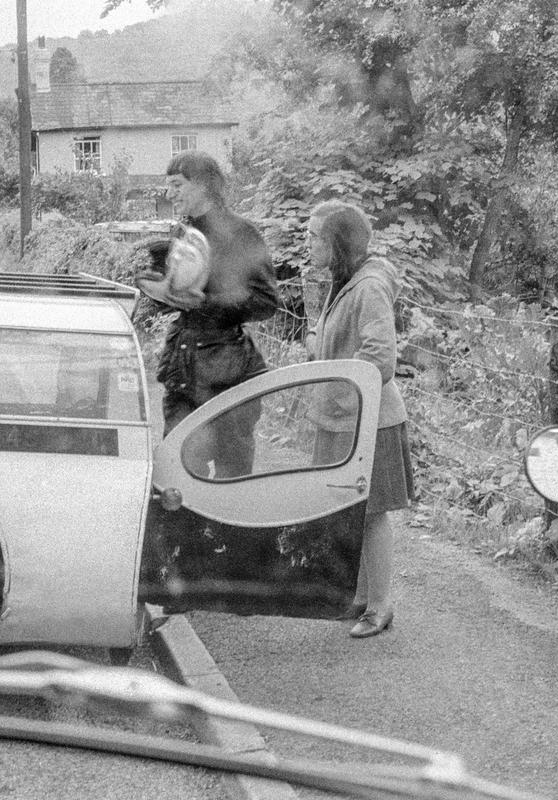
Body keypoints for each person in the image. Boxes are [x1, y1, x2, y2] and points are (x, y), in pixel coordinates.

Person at [305, 198, 414, 638]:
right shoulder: (345, 278)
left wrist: (339, 385)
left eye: (315, 236)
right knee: (355, 510)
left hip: (369, 420)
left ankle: (381, 606)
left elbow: (380, 358)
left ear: (339, 243)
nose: (308, 243)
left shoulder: (368, 286)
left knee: (371, 513)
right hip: (345, 416)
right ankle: (363, 598)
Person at [137, 151, 279, 478]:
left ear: (202, 184)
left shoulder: (242, 233)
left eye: (177, 184)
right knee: (178, 475)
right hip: (184, 369)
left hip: (228, 373)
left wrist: (205, 304)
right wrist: (163, 287)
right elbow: (172, 300)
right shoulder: (182, 233)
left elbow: (265, 301)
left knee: (232, 480)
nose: (169, 193)